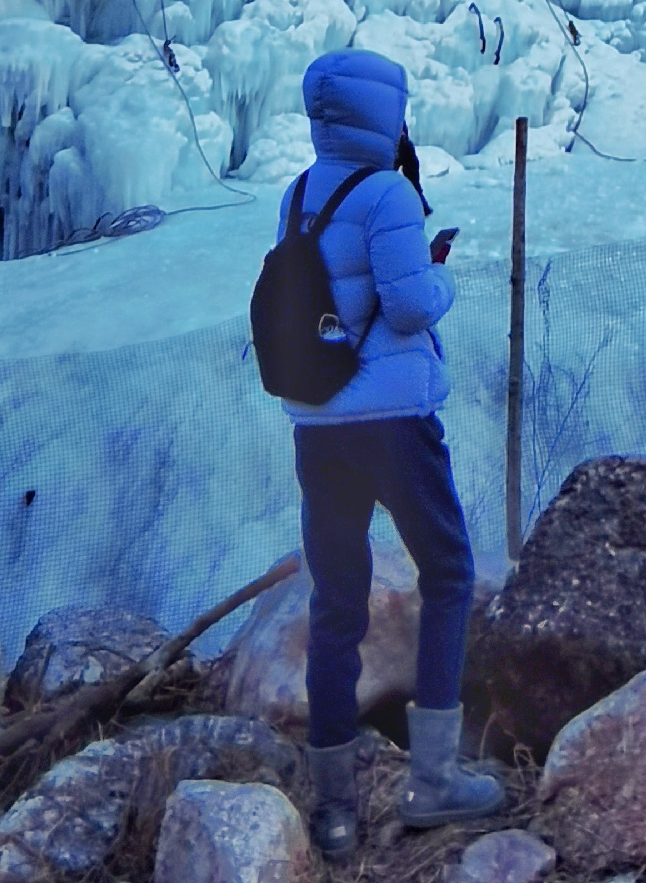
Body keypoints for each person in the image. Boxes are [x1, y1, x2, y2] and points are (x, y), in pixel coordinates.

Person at [275, 48, 504, 857]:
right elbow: (407, 306)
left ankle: (334, 810)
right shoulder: (390, 194)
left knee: (337, 602)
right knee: (448, 574)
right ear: (382, 115)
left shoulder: (299, 194)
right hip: (394, 422)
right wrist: (442, 279)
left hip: (318, 424)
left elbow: (326, 298)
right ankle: (434, 780)